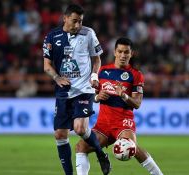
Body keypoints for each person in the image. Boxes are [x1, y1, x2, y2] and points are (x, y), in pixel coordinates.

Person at [75, 37, 164, 175]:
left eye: (126, 52)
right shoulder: (102, 71)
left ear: (131, 54)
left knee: (131, 147)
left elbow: (137, 103)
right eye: (120, 51)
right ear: (115, 52)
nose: (123, 55)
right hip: (103, 125)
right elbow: (90, 96)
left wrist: (124, 95)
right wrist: (98, 97)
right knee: (81, 147)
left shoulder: (136, 75)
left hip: (123, 123)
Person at [43, 4, 111, 175]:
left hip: (83, 88)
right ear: (64, 18)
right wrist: (57, 78)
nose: (77, 25)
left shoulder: (88, 33)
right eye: (74, 21)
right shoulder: (51, 37)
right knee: (60, 135)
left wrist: (95, 76)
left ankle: (101, 154)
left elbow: (96, 60)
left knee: (80, 129)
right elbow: (47, 66)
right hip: (63, 91)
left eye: (80, 21)